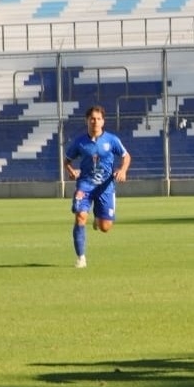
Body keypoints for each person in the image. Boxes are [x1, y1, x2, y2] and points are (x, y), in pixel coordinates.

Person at [63, 105, 131, 269]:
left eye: (99, 119)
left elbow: (126, 156)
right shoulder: (79, 142)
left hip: (105, 187)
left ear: (103, 121)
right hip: (85, 185)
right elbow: (67, 160)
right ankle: (81, 257)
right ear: (87, 120)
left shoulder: (111, 140)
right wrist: (71, 171)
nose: (95, 121)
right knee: (80, 217)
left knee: (105, 227)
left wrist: (122, 170)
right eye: (92, 118)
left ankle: (99, 218)